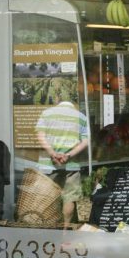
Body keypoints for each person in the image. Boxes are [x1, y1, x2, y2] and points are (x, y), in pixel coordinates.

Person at [35, 97, 89, 228]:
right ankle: (65, 229)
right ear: (73, 104)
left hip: (48, 163)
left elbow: (40, 136)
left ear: (58, 102)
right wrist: (68, 155)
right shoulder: (81, 117)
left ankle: (47, 228)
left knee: (46, 196)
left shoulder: (47, 113)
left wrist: (52, 153)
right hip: (71, 164)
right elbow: (85, 142)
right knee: (69, 197)